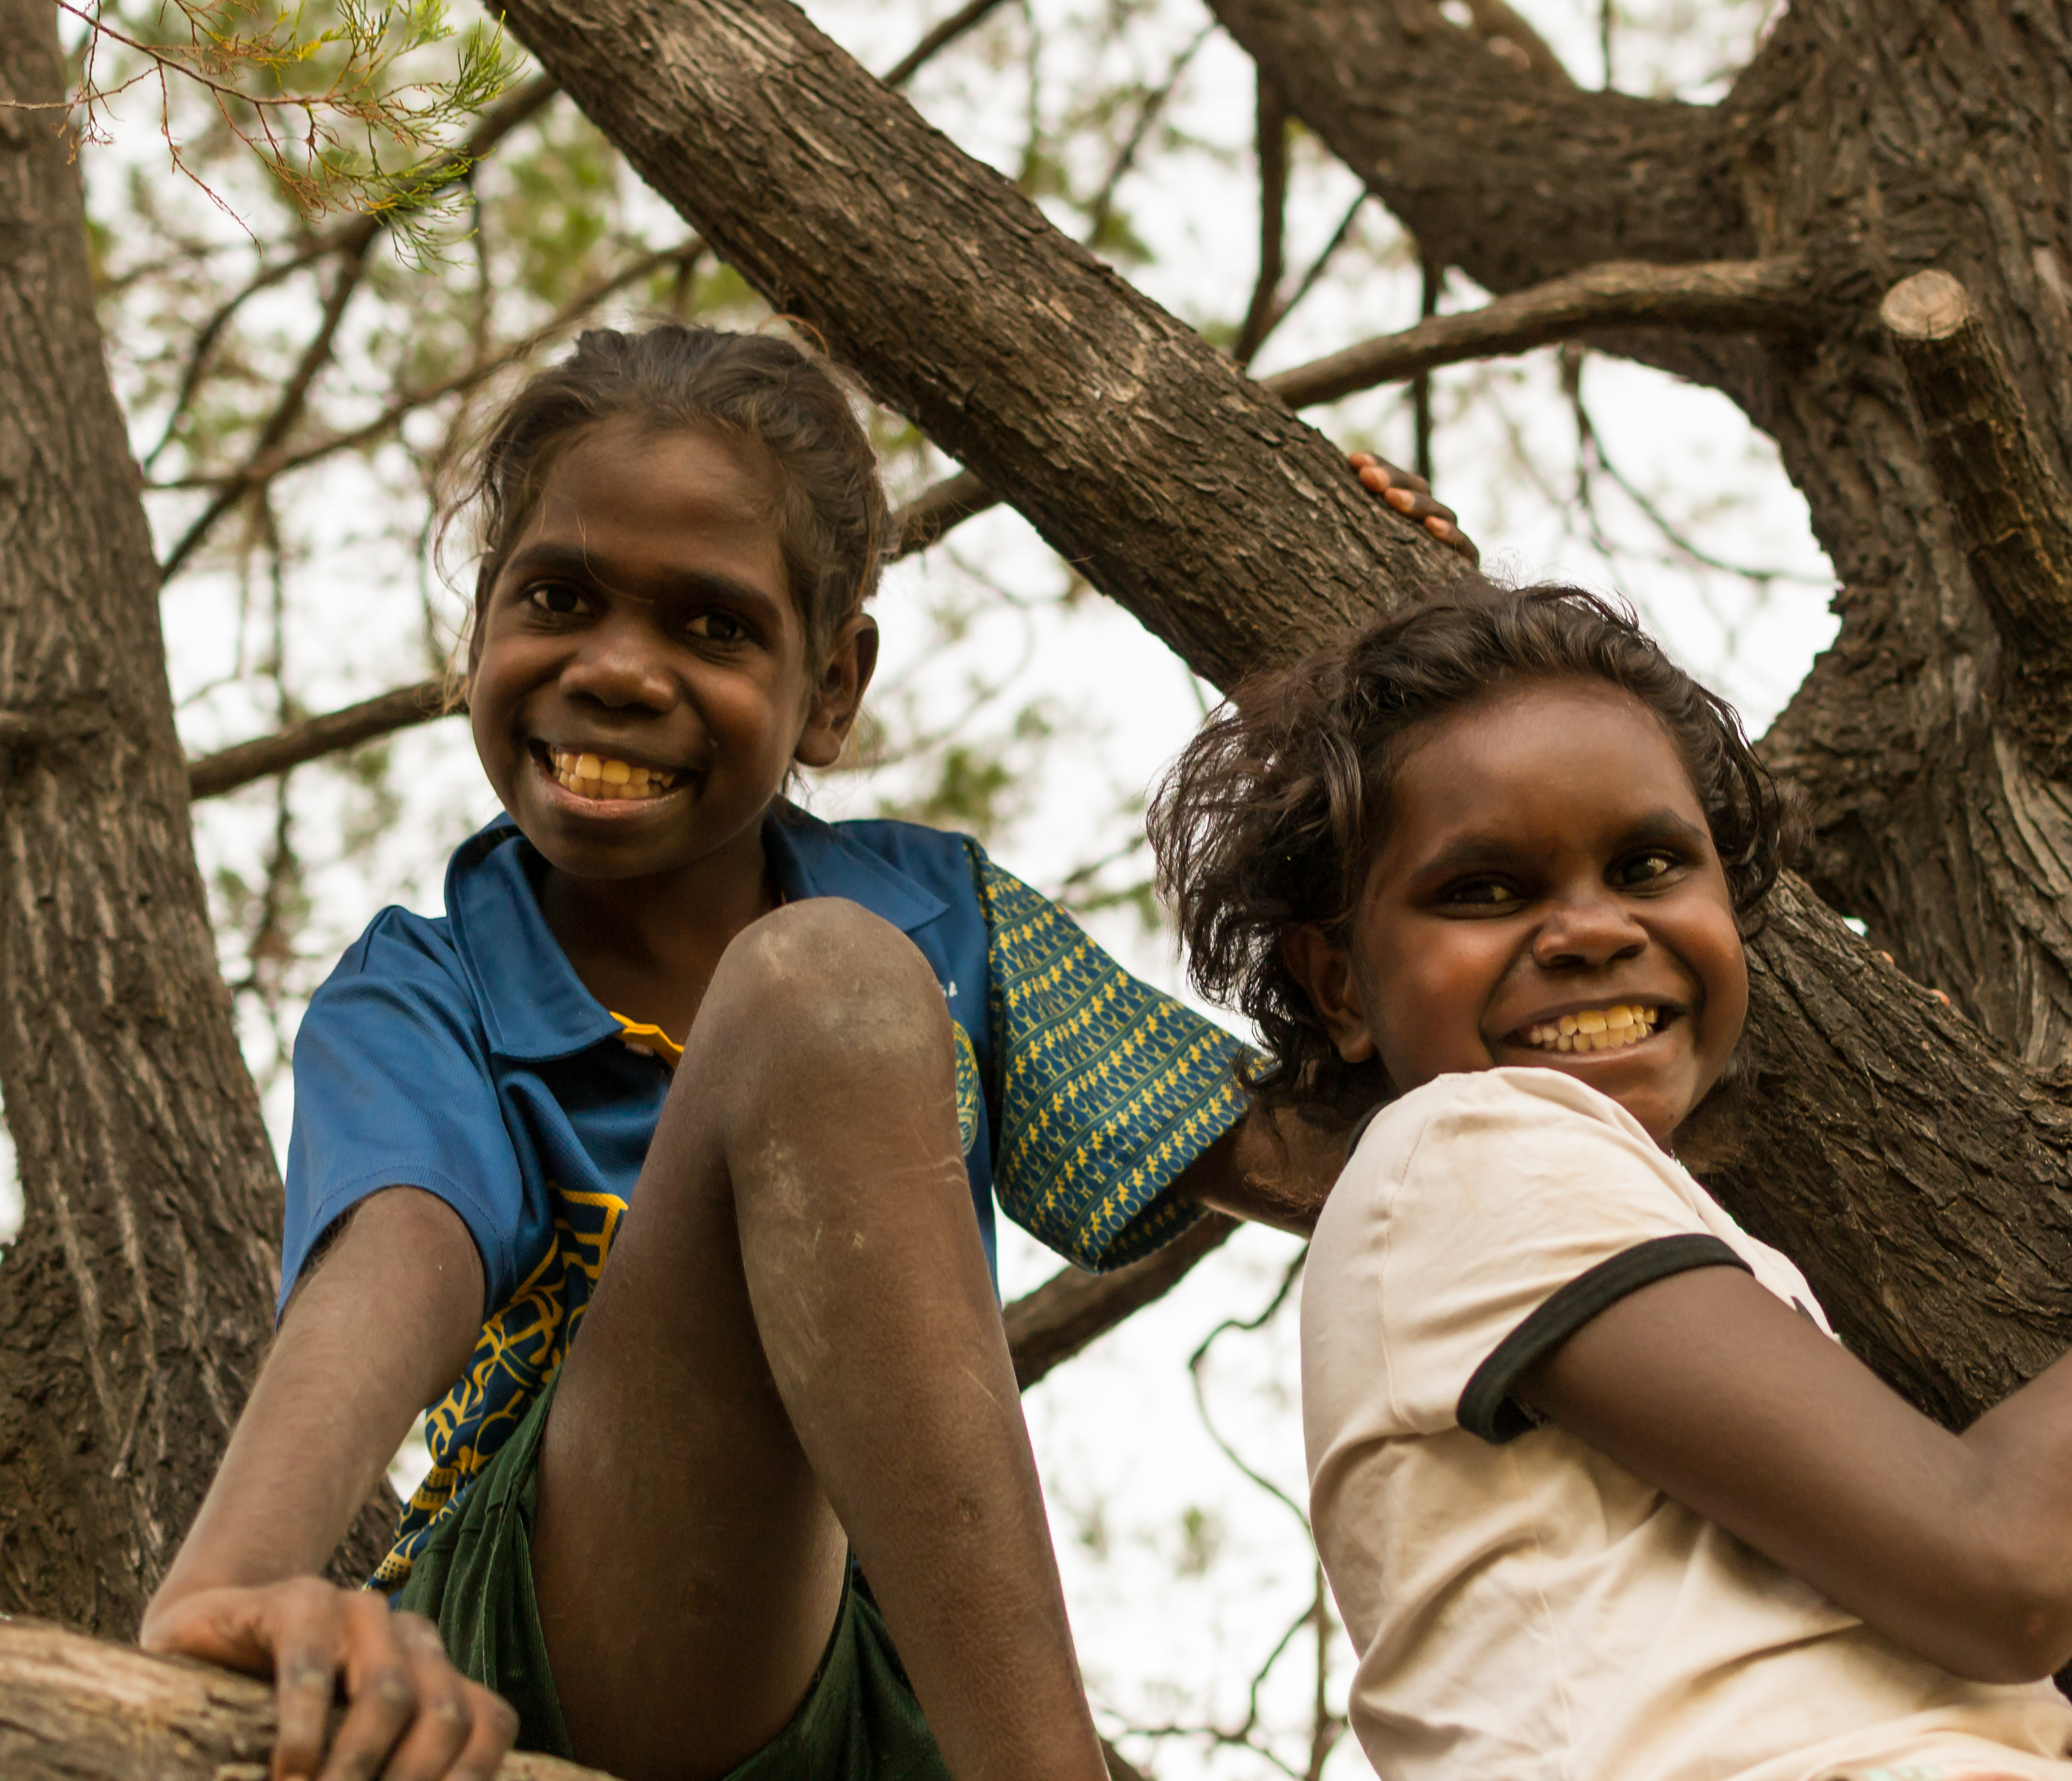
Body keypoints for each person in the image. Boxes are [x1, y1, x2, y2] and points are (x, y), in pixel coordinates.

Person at [137, 321, 1472, 1781]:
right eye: (559, 598)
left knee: (837, 978)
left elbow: (1331, 1168)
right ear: (478, 641)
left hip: (889, 1685)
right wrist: (237, 1574)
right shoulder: (432, 984)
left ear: (832, 687)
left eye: (712, 626)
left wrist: (1416, 678)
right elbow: (396, 1250)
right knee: (815, 990)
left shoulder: (936, 919)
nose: (619, 671)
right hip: (567, 1646)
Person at [1148, 579, 2072, 1781]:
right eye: (1485, 890)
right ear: (1336, 987)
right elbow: (2005, 1563)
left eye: (1649, 866)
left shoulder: (1557, 1217)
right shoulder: (1467, 1147)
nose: (1593, 928)